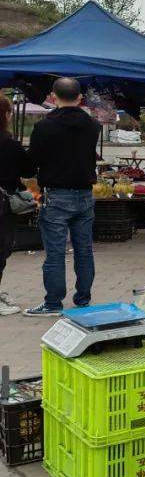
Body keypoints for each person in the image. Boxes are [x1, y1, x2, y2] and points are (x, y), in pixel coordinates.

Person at [24, 77, 101, 315]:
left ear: (52, 97)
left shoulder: (44, 127)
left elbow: (30, 164)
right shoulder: (92, 125)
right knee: (84, 250)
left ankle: (53, 303)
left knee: (56, 253)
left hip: (56, 195)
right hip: (85, 195)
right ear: (80, 98)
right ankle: (83, 299)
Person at [0, 97, 35, 315]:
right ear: (5, 115)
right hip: (3, 204)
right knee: (1, 248)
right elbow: (28, 170)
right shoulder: (9, 144)